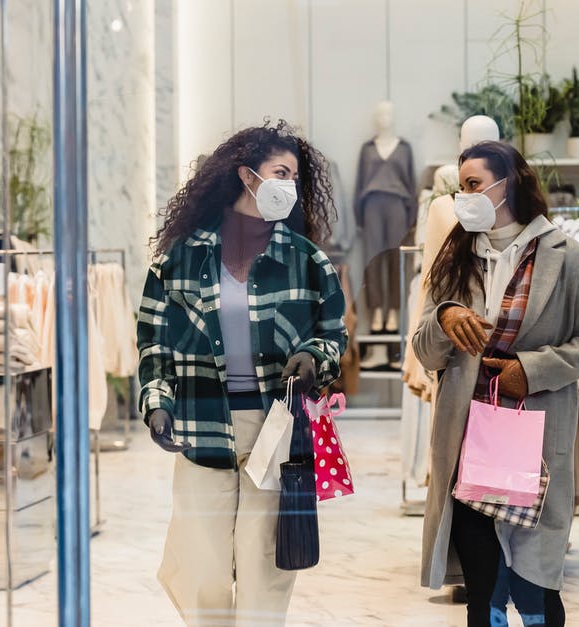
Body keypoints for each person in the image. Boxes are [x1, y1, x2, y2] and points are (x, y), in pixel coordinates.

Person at [136, 120, 347, 626]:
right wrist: (157, 401)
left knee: (265, 560)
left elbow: (334, 334)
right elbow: (153, 343)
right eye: (280, 172)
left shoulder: (306, 260)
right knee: (200, 559)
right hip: (201, 418)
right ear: (246, 175)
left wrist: (315, 356)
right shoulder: (179, 260)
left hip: (276, 424)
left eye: (295, 176)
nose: (288, 186)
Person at [412, 141, 579, 627]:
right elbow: (423, 348)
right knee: (482, 585)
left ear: (509, 185)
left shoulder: (567, 258)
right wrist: (446, 319)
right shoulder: (455, 256)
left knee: (535, 583)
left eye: (475, 185)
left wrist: (532, 369)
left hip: (533, 438)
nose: (466, 197)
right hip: (467, 439)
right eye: (462, 187)